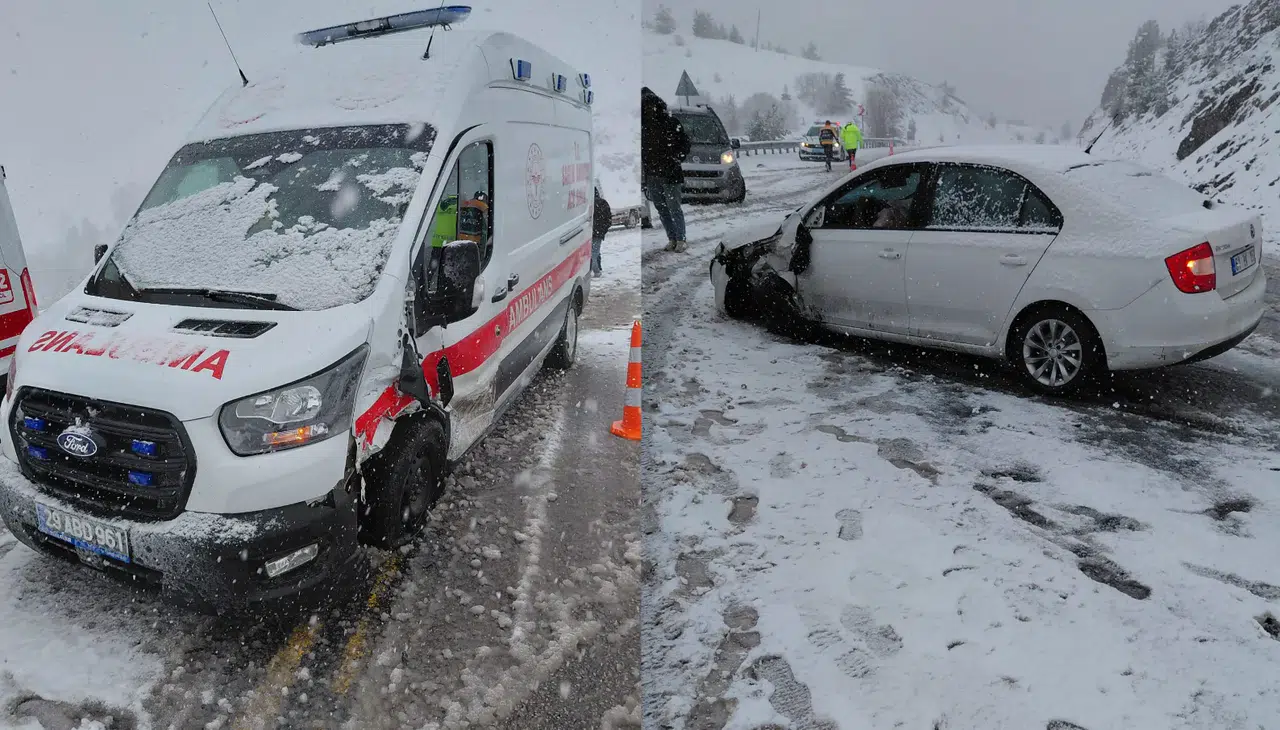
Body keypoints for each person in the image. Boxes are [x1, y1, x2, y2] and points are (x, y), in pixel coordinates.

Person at [641, 87, 691, 252]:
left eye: (650, 106)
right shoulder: (643, 128)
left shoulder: (671, 123)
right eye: (645, 106)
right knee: (662, 209)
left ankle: (681, 239)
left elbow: (684, 144)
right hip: (653, 175)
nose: (648, 110)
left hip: (670, 174)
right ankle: (672, 238)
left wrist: (676, 158)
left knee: (673, 208)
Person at [591, 184, 611, 276]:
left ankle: (596, 270)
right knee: (595, 252)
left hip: (588, 232)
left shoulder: (588, 204)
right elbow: (609, 219)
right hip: (598, 233)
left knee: (593, 254)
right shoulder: (603, 203)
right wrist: (603, 230)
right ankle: (598, 269)